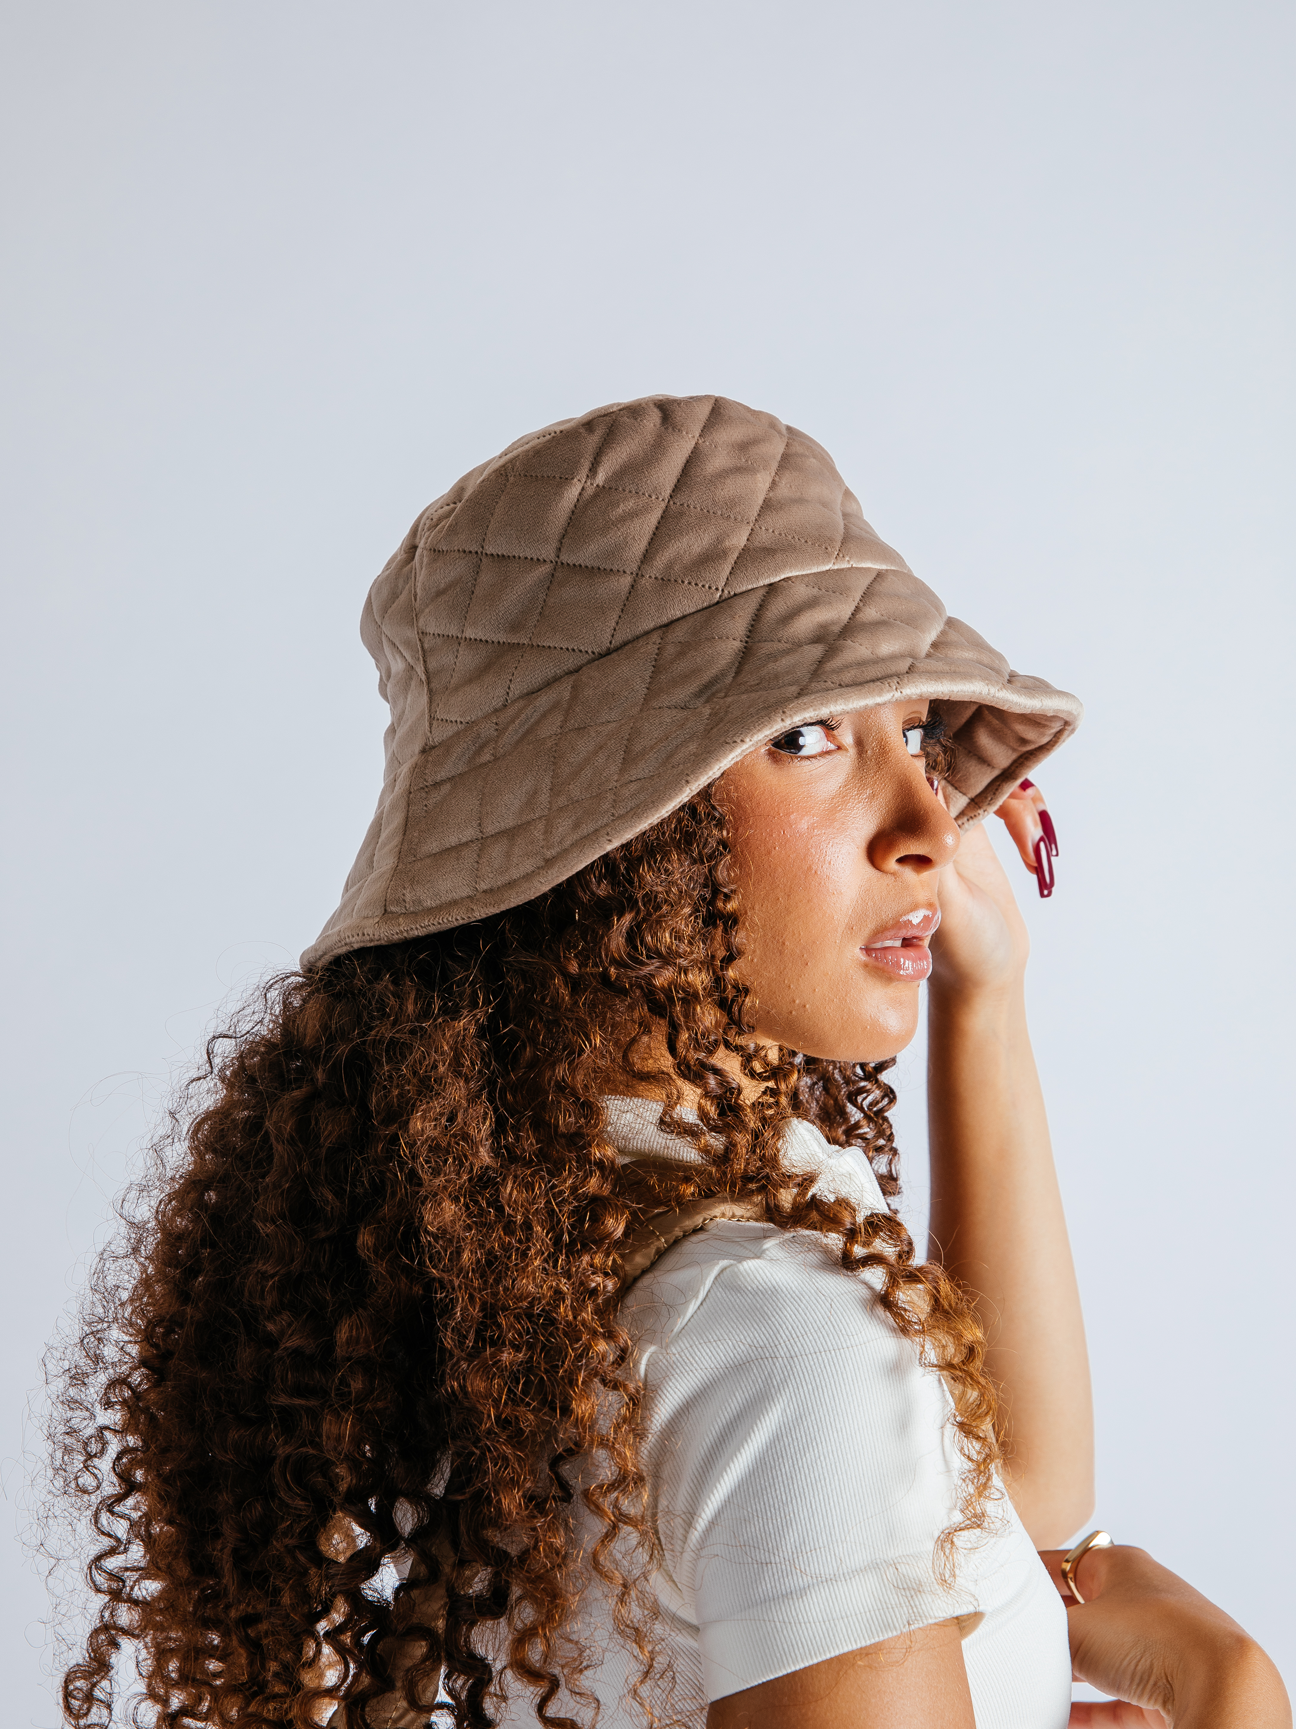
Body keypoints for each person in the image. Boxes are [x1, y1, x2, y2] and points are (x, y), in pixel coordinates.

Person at [53, 396, 1288, 1729]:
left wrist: (987, 1000)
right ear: (617, 831)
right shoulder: (783, 1336)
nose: (929, 816)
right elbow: (845, 1443)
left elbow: (1003, 1500)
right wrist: (1234, 1695)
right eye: (809, 735)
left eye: (919, 733)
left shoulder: (543, 1225)